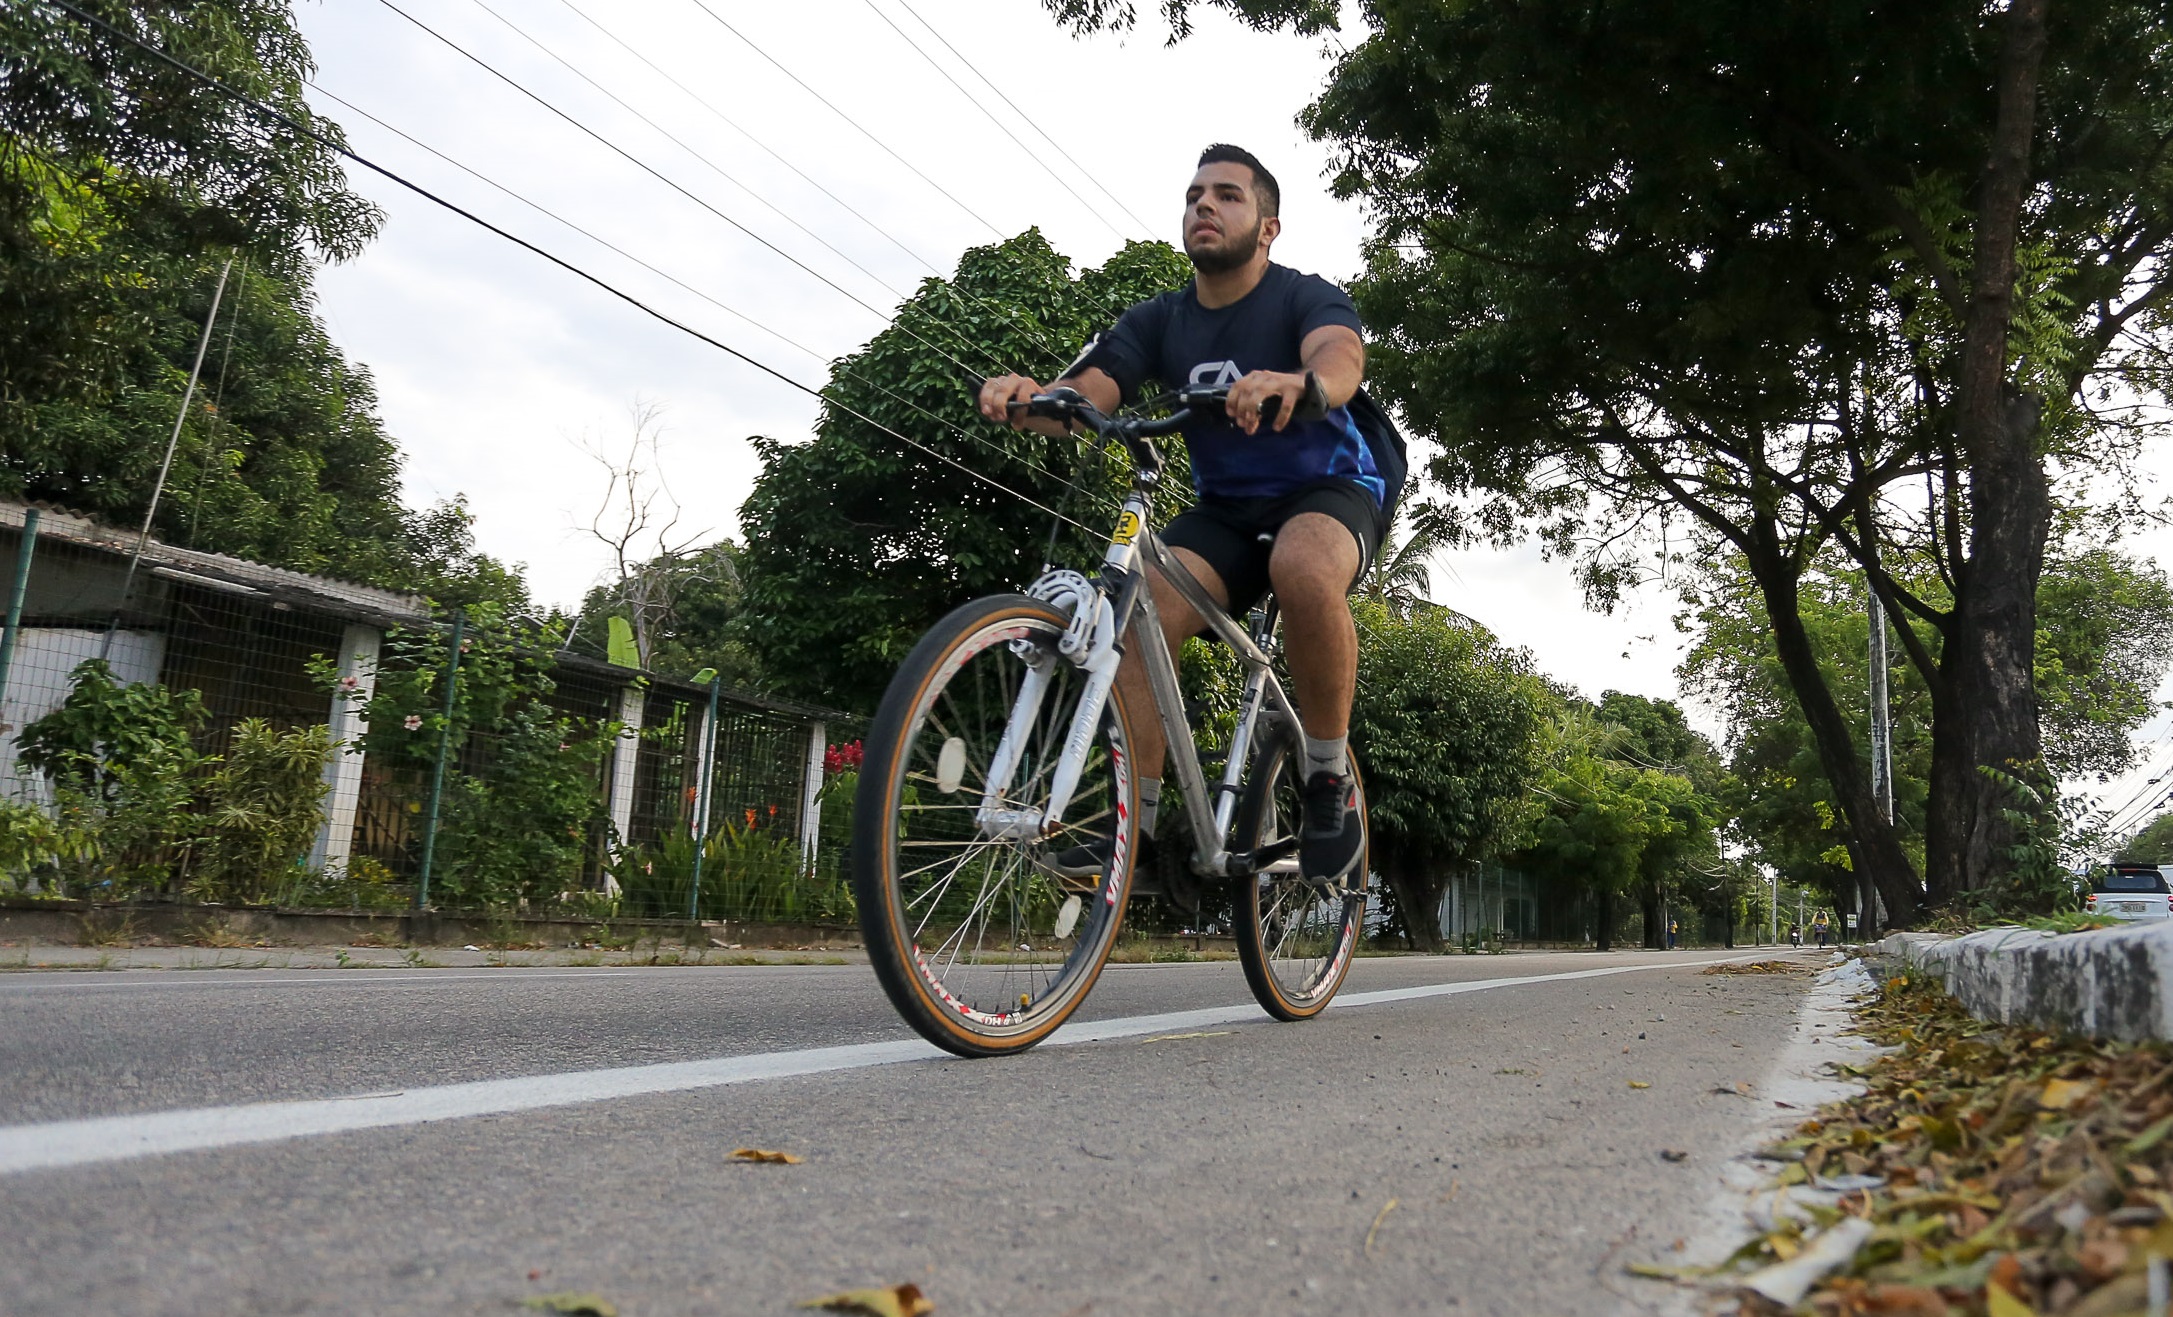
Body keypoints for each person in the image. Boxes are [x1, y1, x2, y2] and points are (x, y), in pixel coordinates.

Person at [978, 144, 1381, 888]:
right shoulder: (1160, 319)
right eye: (1195, 194)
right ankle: (1131, 821)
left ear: (1267, 228)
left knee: (1300, 564)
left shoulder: (1302, 296)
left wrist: (1302, 381)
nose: (1203, 205)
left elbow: (1340, 357)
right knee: (1132, 615)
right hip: (1227, 513)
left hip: (1328, 491)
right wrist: (1026, 399)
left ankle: (1326, 779)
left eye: (1228, 195)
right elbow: (1087, 393)